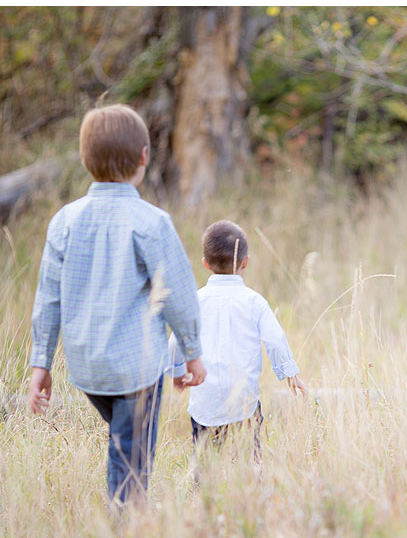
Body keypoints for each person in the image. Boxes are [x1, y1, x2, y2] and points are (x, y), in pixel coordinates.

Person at [28, 104, 206, 509]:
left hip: (88, 369)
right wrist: (192, 353)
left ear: (84, 158)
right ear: (144, 157)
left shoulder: (64, 221)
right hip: (136, 368)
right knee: (131, 458)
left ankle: (130, 512)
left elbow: (48, 298)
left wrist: (42, 362)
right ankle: (126, 529)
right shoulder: (151, 222)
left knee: (125, 440)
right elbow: (179, 292)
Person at [167, 220, 307, 466]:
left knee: (204, 463)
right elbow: (275, 339)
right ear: (245, 262)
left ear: (205, 264)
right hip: (245, 402)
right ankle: (250, 489)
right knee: (250, 461)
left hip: (205, 403)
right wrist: (290, 374)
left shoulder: (195, 301)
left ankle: (203, 497)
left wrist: (178, 373)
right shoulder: (254, 302)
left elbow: (176, 341)